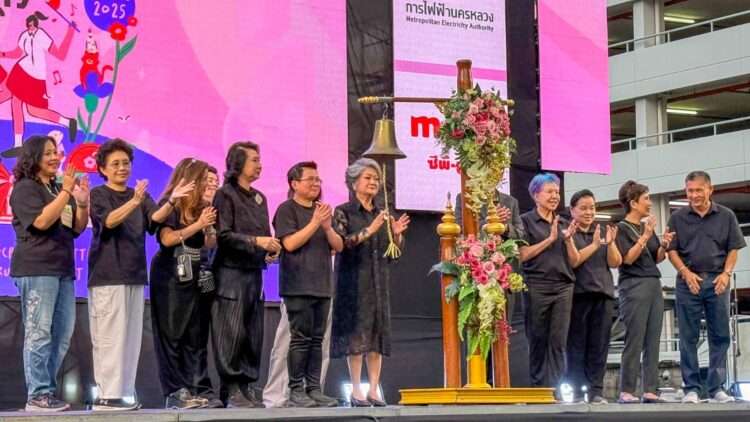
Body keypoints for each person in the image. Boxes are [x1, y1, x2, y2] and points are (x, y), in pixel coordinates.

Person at [87, 139, 194, 411]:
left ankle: (123, 394)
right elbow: (109, 221)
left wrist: (172, 200)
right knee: (110, 337)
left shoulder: (140, 196)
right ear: (103, 169)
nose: (122, 168)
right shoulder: (99, 194)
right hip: (108, 276)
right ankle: (108, 396)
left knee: (130, 339)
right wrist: (134, 201)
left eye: (126, 163)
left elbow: (154, 219)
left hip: (134, 274)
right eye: (115, 164)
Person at [10, 134, 89, 411]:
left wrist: (82, 203)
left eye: (56, 152)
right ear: (33, 158)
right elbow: (42, 222)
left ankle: (47, 391)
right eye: (48, 153)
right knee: (39, 332)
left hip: (63, 268)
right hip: (37, 268)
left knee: (62, 334)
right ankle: (37, 394)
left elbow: (77, 228)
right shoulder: (25, 188)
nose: (55, 157)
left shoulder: (57, 188)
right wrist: (67, 192)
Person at [331, 158, 410, 407]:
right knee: (356, 337)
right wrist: (371, 230)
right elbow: (342, 244)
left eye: (376, 178)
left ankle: (374, 390)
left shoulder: (382, 214)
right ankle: (356, 390)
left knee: (376, 336)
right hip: (353, 281)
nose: (373, 182)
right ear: (354, 182)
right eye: (368, 177)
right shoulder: (343, 212)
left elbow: (393, 255)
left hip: (378, 282)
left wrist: (396, 236)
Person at [212, 141, 281, 408]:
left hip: (254, 272)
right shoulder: (225, 194)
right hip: (231, 273)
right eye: (254, 160)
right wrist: (256, 242)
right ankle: (231, 388)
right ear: (238, 163)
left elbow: (264, 234)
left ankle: (247, 385)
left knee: (253, 333)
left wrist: (268, 251)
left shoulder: (259, 197)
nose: (259, 164)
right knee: (231, 332)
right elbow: (223, 235)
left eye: (259, 159)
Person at [667, 171, 746, 404]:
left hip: (717, 280)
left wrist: (726, 274)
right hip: (687, 281)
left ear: (710, 190)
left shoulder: (726, 215)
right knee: (688, 336)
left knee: (720, 335)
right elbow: (672, 250)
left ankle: (716, 388)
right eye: (689, 191)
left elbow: (733, 248)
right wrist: (685, 272)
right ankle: (691, 387)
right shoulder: (677, 218)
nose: (694, 195)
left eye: (698, 190)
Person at [271, 161, 342, 407]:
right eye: (310, 179)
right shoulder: (286, 209)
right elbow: (290, 244)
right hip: (297, 285)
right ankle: (296, 390)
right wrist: (314, 223)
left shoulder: (322, 211)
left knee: (317, 339)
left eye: (318, 179)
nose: (316, 183)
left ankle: (314, 388)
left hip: (322, 285)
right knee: (300, 338)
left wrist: (327, 227)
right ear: (294, 184)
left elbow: (338, 246)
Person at [149, 158, 218, 409]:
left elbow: (209, 244)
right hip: (171, 273)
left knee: (195, 334)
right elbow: (167, 240)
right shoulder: (171, 205)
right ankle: (175, 391)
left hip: (196, 273)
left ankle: (196, 388)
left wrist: (208, 226)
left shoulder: (203, 207)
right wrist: (198, 224)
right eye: (203, 180)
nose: (208, 185)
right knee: (172, 333)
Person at [518, 173, 579, 393]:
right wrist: (550, 239)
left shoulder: (564, 222)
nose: (555, 196)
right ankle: (538, 389)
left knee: (558, 341)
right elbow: (522, 254)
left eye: (557, 192)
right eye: (549, 192)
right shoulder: (525, 221)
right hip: (536, 285)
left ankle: (556, 390)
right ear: (536, 195)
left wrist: (568, 240)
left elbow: (574, 261)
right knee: (537, 339)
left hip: (563, 286)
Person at [614, 180, 674, 404]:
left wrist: (664, 244)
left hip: (653, 282)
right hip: (633, 284)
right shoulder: (622, 228)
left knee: (653, 338)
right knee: (635, 338)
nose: (649, 203)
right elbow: (627, 259)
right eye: (646, 198)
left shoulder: (645, 227)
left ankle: (650, 389)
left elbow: (656, 257)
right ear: (633, 203)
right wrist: (645, 236)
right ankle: (627, 390)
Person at [565, 189, 621, 404]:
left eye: (592, 208)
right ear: (572, 210)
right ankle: (577, 391)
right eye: (583, 208)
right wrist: (595, 245)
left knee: (599, 345)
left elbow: (615, 262)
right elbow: (574, 261)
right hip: (579, 295)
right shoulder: (569, 232)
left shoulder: (602, 230)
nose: (589, 212)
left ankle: (596, 390)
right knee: (577, 345)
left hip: (603, 294)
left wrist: (611, 243)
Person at [1, 12, 77, 156]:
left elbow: (60, 54)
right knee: (16, 103)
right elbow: (17, 53)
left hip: (35, 76)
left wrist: (70, 32)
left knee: (34, 111)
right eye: (28, 26)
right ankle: (18, 144)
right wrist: (2, 54)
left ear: (36, 25)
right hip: (21, 71)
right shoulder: (24, 35)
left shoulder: (42, 36)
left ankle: (68, 122)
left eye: (32, 26)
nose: (30, 29)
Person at [190, 166, 224, 408]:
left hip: (225, 278)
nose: (212, 184)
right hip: (197, 275)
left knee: (225, 337)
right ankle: (200, 387)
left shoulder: (224, 210)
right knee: (197, 335)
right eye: (207, 180)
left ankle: (230, 389)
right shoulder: (190, 209)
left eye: (215, 180)